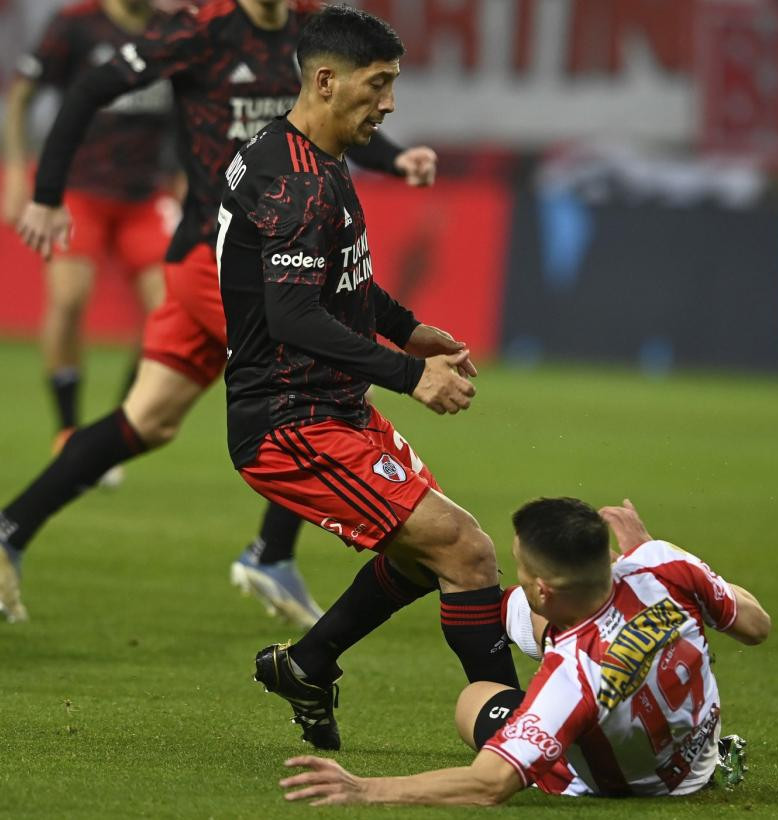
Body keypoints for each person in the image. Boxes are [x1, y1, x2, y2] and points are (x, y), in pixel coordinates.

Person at [0, 0, 439, 627]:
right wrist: (48, 195)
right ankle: (271, 553)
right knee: (310, 380)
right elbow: (89, 89)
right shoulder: (201, 28)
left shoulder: (312, 30)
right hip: (223, 259)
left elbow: (335, 120)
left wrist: (394, 158)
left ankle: (7, 528)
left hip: (233, 258)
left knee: (148, 420)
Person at [218, 5, 518, 753]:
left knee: (426, 555)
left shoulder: (306, 157)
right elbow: (291, 317)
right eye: (378, 84)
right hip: (292, 423)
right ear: (326, 80)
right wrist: (410, 374)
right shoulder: (295, 184)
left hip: (328, 408)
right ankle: (520, 735)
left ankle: (308, 663)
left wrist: (409, 328)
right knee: (464, 549)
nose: (389, 103)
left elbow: (338, 282)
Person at [277, 497, 771, 805]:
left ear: (546, 589)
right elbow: (755, 626)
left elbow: (487, 786)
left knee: (473, 699)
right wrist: (665, 554)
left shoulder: (571, 678)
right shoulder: (661, 565)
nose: (515, 574)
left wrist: (367, 789)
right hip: (696, 751)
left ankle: (537, 743)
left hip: (639, 784)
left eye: (521, 568)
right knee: (501, 608)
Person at [0, 0, 173, 482]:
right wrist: (16, 172)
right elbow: (21, 93)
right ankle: (68, 427)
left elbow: (191, 102)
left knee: (167, 310)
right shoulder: (76, 24)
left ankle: (112, 432)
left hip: (145, 193)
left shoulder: (171, 28)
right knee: (69, 298)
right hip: (79, 191)